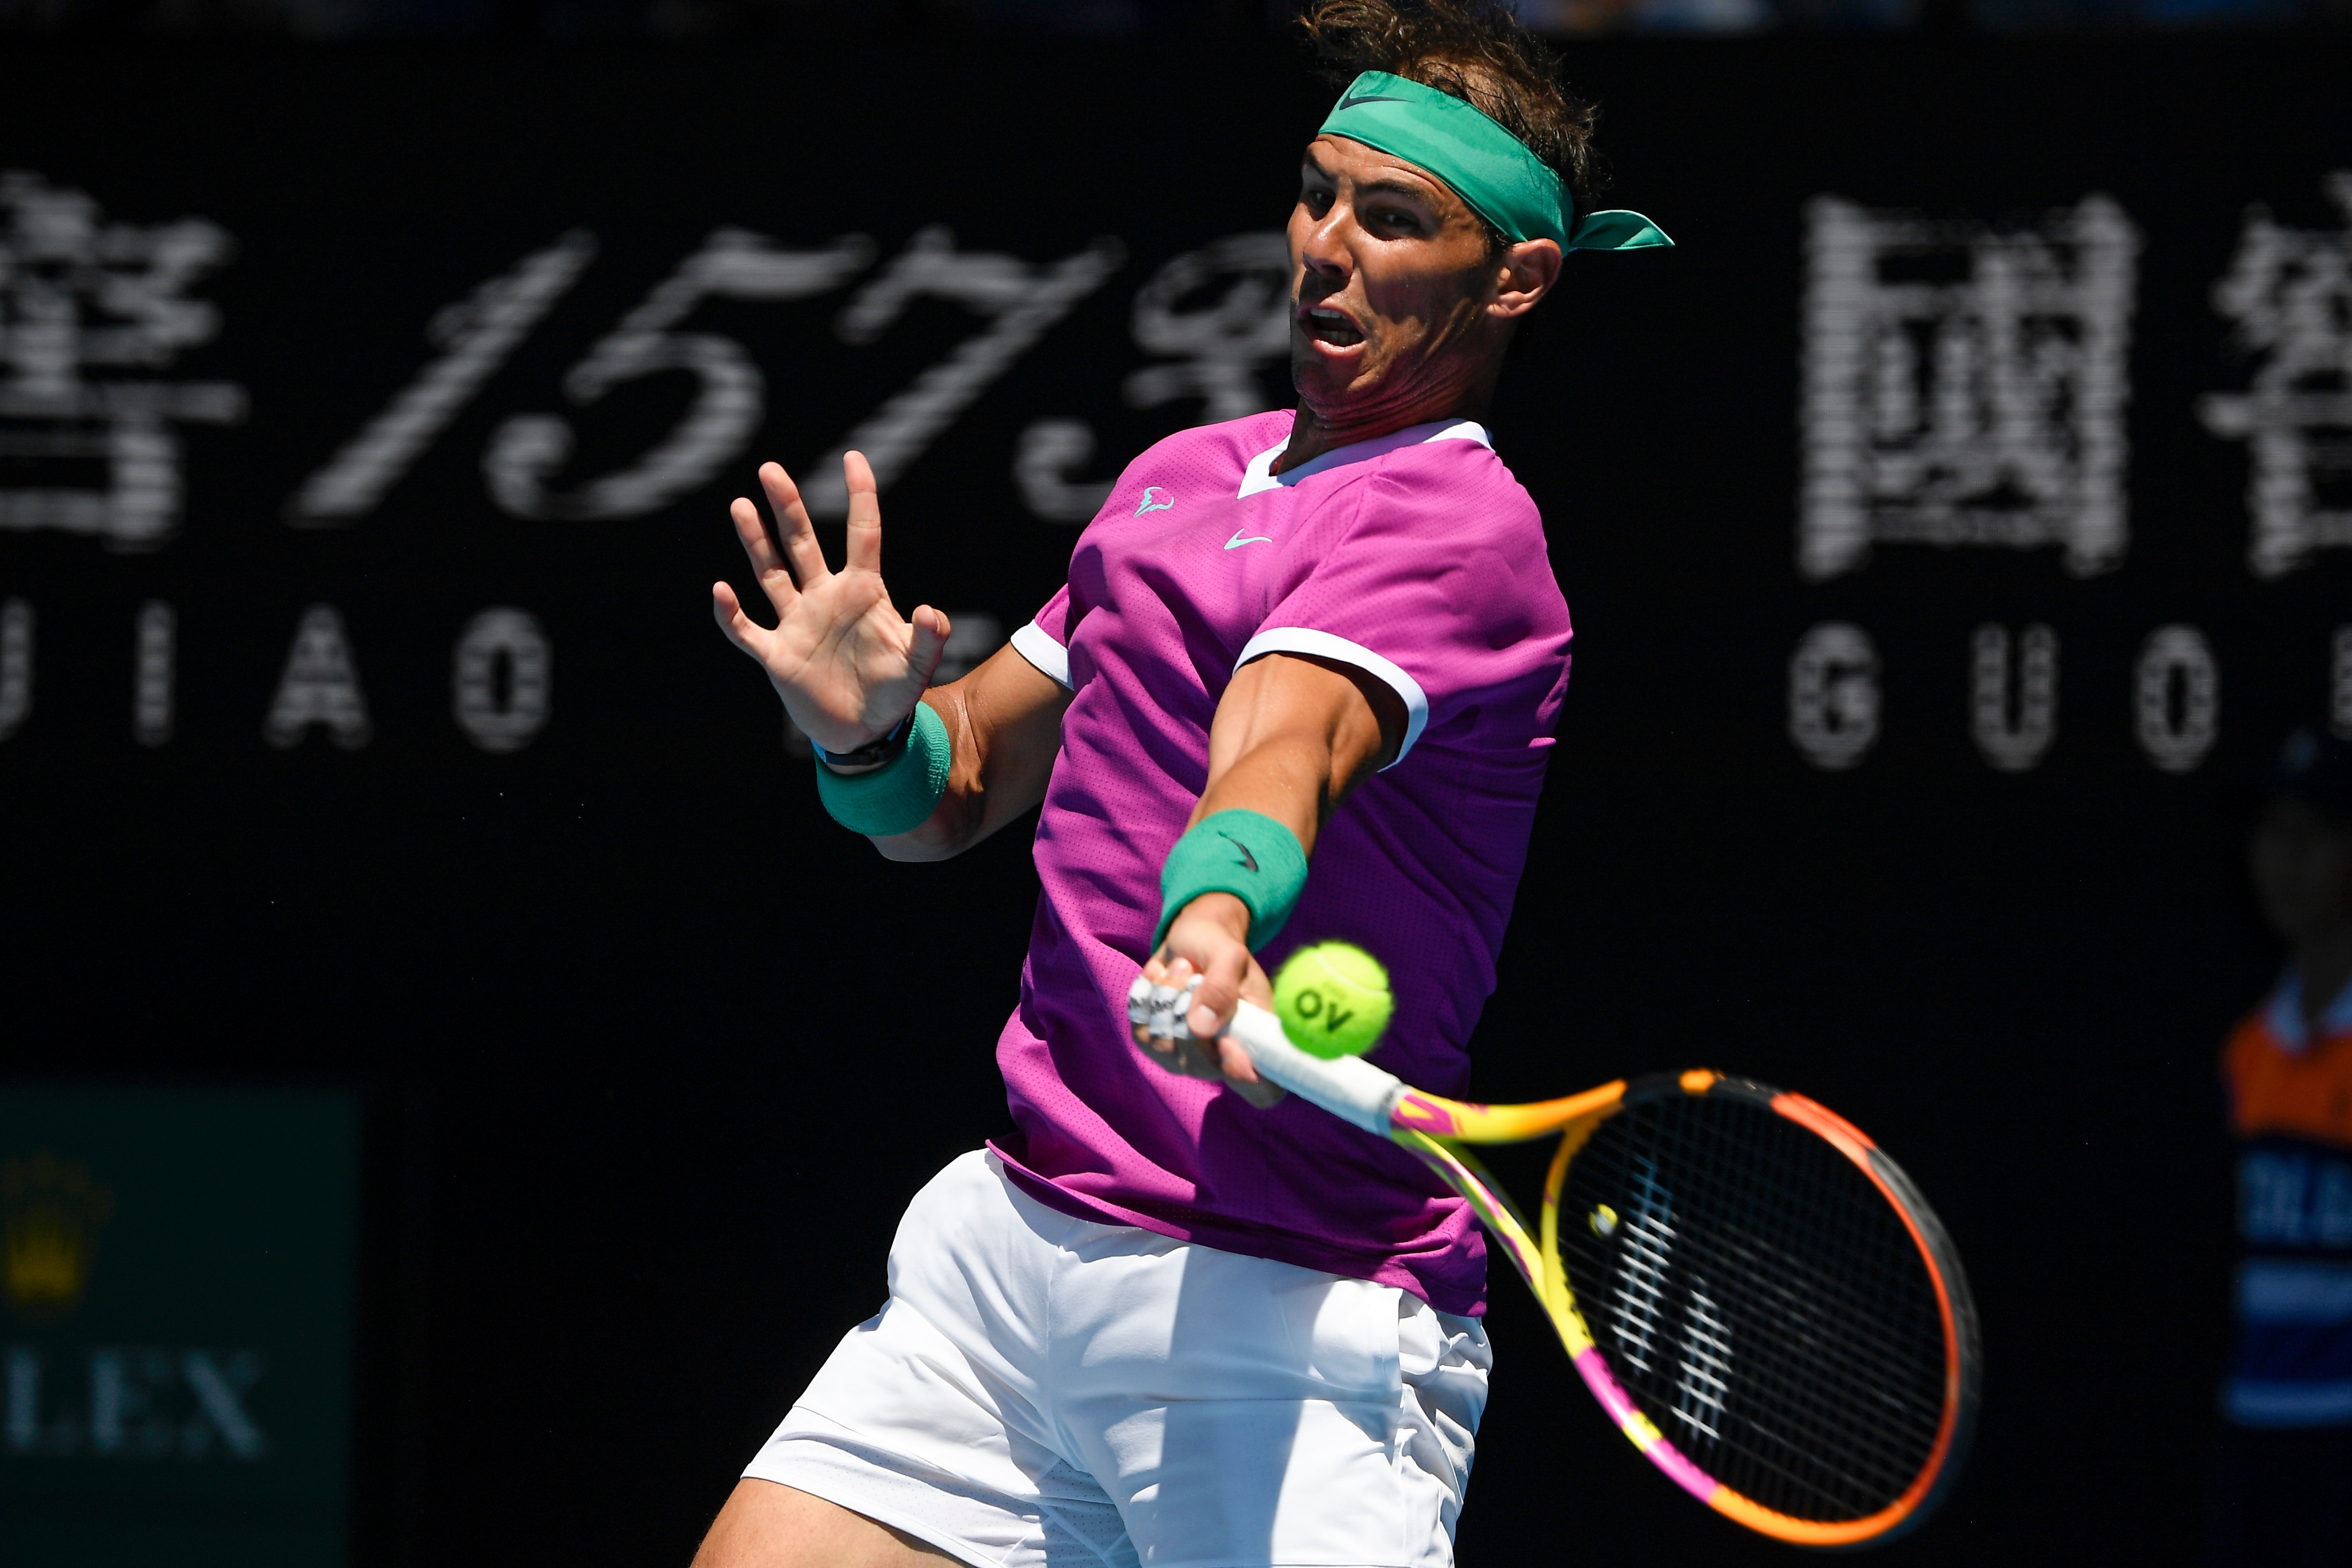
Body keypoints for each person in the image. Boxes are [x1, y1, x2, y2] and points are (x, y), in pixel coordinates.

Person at [695, 4, 1668, 1564]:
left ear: (1517, 278)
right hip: (1008, 1264)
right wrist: (869, 733)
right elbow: (954, 796)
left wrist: (1212, 915)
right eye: (1317, 194)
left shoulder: (1462, 531)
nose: (1324, 248)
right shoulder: (1177, 482)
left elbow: (1284, 741)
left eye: (1394, 218)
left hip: (1284, 1326)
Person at [2206, 727, 2352, 1568]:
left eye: (2310, 836)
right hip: (2253, 1427)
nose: (2281, 861)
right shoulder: (2243, 1051)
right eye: (2270, 834)